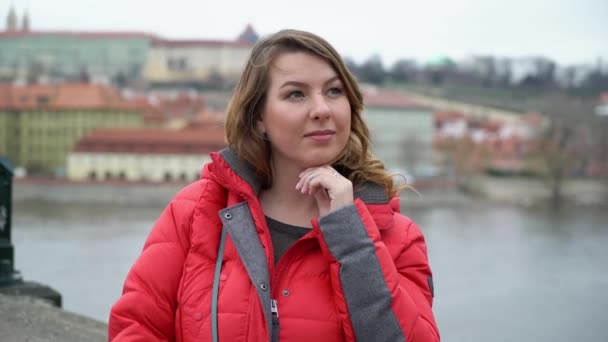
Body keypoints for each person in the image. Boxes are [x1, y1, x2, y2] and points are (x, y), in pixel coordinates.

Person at [109, 29, 440, 342]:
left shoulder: (397, 237)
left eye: (334, 91)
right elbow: (136, 327)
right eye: (296, 94)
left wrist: (350, 238)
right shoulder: (197, 212)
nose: (322, 109)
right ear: (259, 118)